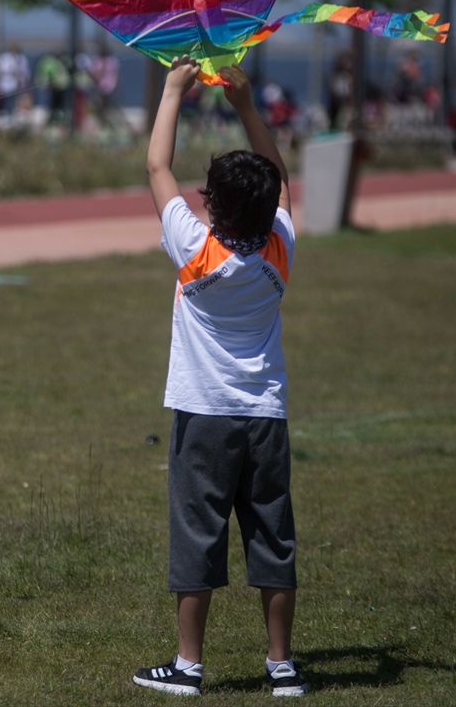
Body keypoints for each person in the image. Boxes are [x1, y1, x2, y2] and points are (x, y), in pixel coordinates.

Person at [133, 56, 305, 698]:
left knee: (197, 537)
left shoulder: (193, 247)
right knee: (272, 537)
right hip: (266, 414)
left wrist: (173, 89)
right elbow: (282, 181)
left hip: (203, 415)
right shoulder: (280, 245)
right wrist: (245, 105)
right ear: (266, 210)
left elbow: (156, 167)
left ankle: (187, 667)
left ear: (211, 206)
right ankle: (282, 666)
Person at [0, 44, 29, 114]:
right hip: (5, 83)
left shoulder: (21, 58)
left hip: (15, 84)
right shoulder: (4, 57)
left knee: (14, 101)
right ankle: (6, 114)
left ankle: (12, 114)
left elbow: (24, 71)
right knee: (5, 100)